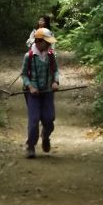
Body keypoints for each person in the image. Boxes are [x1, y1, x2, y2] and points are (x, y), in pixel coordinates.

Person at [21, 27, 60, 158]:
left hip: (48, 92)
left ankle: (45, 136)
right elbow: (24, 75)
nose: (49, 44)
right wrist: (30, 87)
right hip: (33, 94)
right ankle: (30, 146)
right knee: (34, 120)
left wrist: (55, 81)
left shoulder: (50, 55)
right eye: (47, 42)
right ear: (38, 41)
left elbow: (55, 70)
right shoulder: (29, 56)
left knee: (49, 119)